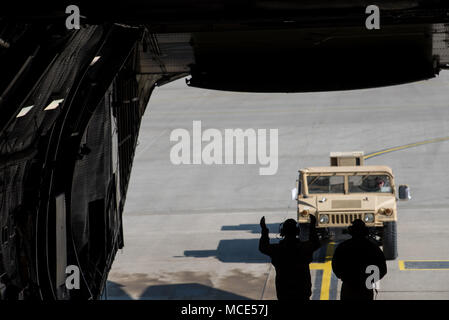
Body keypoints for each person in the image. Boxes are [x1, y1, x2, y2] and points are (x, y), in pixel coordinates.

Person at [259, 215, 321, 300]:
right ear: (297, 232)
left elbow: (263, 247)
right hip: (302, 293)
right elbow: (315, 243)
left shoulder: (278, 249)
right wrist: (312, 226)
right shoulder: (303, 248)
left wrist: (264, 230)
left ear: (282, 232)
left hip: (284, 294)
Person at [331, 219, 387, 300]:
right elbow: (382, 269)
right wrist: (370, 280)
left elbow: (336, 267)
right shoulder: (373, 248)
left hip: (349, 288)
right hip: (366, 288)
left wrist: (346, 278)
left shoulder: (343, 247)